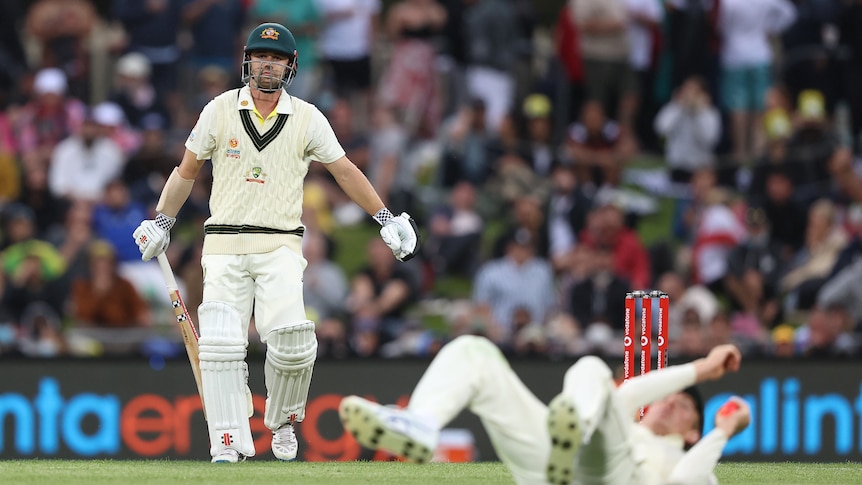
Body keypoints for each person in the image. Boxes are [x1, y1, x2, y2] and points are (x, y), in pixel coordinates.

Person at [132, 22, 420, 464]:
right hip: (224, 244)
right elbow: (187, 170)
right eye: (261, 57)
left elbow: (344, 171)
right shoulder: (219, 109)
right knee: (222, 345)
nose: (267, 65)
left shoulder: (307, 117)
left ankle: (283, 421)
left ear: (290, 66)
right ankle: (227, 440)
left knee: (294, 342)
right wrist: (162, 221)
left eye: (277, 59)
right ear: (248, 61)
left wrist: (383, 216)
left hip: (281, 244)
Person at [339, 336, 750, 485]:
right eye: (670, 397)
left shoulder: (690, 459)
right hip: (553, 469)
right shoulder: (628, 418)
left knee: (592, 372)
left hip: (616, 478)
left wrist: (722, 431)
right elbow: (628, 397)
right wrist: (701, 368)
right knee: (473, 351)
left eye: (683, 410)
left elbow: (686, 480)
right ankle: (422, 424)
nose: (672, 403)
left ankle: (573, 430)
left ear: (693, 432)